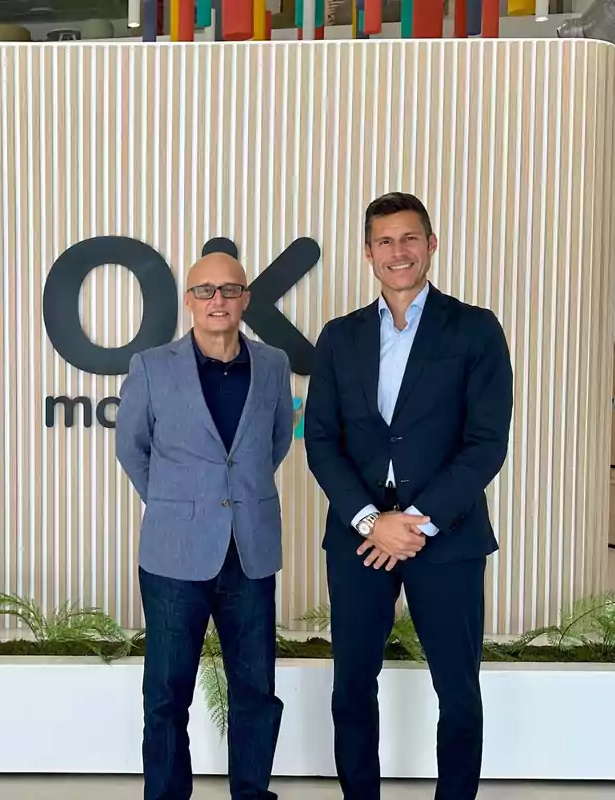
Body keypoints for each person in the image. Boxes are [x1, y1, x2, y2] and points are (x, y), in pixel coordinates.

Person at [302, 192, 513, 800]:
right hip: (358, 540)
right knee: (352, 688)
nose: (399, 252)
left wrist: (414, 522)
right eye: (385, 241)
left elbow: (485, 442)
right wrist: (371, 520)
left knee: (458, 689)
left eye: (410, 238)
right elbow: (320, 440)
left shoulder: (474, 328)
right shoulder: (339, 337)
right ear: (368, 253)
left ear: (432, 245)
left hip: (445, 537)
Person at [116, 251, 294, 800]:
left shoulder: (273, 364)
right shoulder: (151, 366)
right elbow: (132, 448)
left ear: (245, 298)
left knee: (256, 690)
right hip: (173, 554)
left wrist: (233, 500)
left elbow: (276, 441)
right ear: (189, 301)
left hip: (250, 549)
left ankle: (251, 793)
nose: (218, 300)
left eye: (229, 289)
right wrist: (177, 502)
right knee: (168, 693)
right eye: (205, 290)